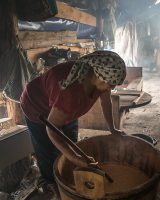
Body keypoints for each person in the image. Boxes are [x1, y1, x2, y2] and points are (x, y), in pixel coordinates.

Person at [20, 51, 127, 186]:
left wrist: (113, 129)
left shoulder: (100, 78)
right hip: (36, 107)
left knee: (72, 145)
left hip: (61, 108)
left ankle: (74, 176)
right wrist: (75, 158)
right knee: (49, 153)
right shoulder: (69, 95)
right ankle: (53, 185)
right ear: (99, 76)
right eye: (112, 84)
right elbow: (51, 129)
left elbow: (106, 102)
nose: (112, 87)